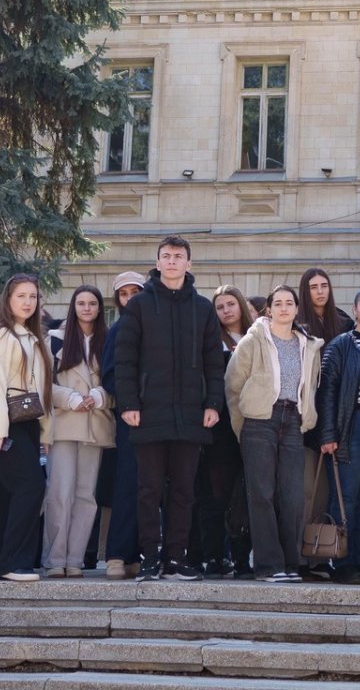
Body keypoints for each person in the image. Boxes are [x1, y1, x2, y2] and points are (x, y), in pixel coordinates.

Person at [113, 236, 226, 582]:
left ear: (189, 264)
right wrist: (129, 402)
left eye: (179, 256)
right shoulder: (140, 306)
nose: (173, 261)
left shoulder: (203, 308)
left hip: (191, 415)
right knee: (148, 490)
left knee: (183, 491)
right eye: (167, 256)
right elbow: (125, 359)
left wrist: (213, 404)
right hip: (148, 413)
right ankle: (150, 557)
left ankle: (175, 557)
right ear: (158, 262)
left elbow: (213, 362)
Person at [227, 284, 322, 582]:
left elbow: (312, 386)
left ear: (296, 308)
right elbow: (233, 383)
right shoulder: (254, 340)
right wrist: (243, 424)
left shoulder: (308, 345)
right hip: (259, 421)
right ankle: (268, 565)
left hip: (292, 421)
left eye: (289, 303)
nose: (283, 308)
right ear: (269, 309)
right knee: (262, 495)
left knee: (293, 496)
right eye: (277, 303)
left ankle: (291, 564)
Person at [0, 275, 51, 582]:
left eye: (33, 296)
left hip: (25, 423)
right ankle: (14, 562)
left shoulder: (29, 337)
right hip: (3, 423)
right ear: (7, 300)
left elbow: (38, 388)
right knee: (31, 485)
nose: (28, 302)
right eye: (21, 296)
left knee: (2, 493)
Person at [318, 285, 360, 583]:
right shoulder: (341, 345)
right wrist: (328, 432)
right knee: (346, 495)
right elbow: (327, 392)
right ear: (356, 309)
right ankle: (343, 561)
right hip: (351, 425)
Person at [44, 284, 113, 578]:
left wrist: (100, 396)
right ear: (73, 307)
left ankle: (75, 558)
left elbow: (118, 383)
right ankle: (55, 558)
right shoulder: (55, 340)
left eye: (92, 303)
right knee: (60, 492)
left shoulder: (108, 342)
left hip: (95, 426)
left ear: (99, 308)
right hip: (63, 425)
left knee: (86, 496)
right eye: (81, 303)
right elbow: (43, 383)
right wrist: (69, 398)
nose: (87, 308)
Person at [197, 284, 253, 577]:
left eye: (230, 304)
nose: (226, 310)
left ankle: (243, 559)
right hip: (219, 429)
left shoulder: (256, 338)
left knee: (247, 494)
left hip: (253, 426)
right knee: (216, 494)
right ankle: (216, 557)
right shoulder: (211, 341)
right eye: (219, 307)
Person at [98, 271, 147, 579]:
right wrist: (133, 401)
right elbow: (110, 375)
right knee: (128, 485)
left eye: (135, 292)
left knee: (150, 488)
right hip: (130, 418)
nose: (130, 298)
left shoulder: (156, 328)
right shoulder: (117, 330)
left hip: (159, 418)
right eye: (124, 293)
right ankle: (117, 554)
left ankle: (140, 554)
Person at [297, 268, 350, 343]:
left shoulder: (344, 322)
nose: (320, 291)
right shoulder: (296, 324)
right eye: (313, 287)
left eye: (324, 286)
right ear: (305, 291)